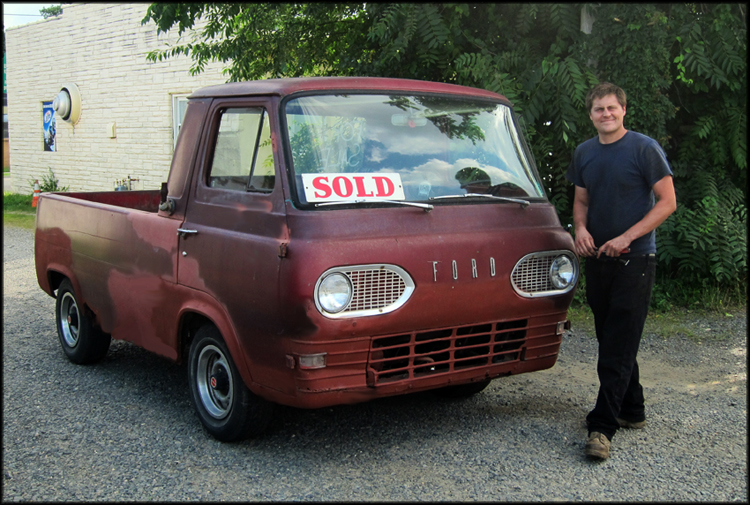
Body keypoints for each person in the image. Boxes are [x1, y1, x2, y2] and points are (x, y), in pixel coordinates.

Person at [566, 82, 677, 460]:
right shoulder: (585, 153)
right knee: (612, 337)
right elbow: (581, 200)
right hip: (599, 259)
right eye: (599, 109)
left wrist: (628, 237)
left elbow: (667, 202)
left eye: (612, 108)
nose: (606, 114)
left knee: (617, 344)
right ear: (591, 114)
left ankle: (603, 427)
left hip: (635, 260)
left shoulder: (644, 148)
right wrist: (580, 230)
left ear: (624, 110)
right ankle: (632, 410)